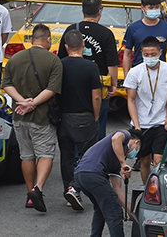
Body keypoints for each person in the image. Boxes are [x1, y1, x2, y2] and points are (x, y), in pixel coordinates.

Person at [1, 23, 62, 212]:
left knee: (26, 155)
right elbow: (52, 89)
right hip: (42, 118)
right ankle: (38, 188)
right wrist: (33, 103)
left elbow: (6, 84)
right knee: (45, 154)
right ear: (48, 39)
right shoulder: (53, 61)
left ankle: (29, 193)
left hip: (19, 118)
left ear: (31, 39)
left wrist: (22, 102)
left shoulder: (15, 59)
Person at [57, 0, 118, 139]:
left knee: (72, 125)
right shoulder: (106, 34)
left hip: (72, 85)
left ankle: (76, 158)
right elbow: (112, 64)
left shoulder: (71, 30)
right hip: (99, 86)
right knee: (98, 125)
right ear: (99, 12)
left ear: (82, 10)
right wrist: (113, 85)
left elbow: (60, 59)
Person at [57, 29, 102, 210]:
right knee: (87, 158)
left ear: (66, 47)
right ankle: (78, 188)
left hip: (63, 118)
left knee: (66, 157)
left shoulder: (59, 65)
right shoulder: (91, 67)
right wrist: (96, 116)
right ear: (83, 45)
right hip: (84, 118)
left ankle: (69, 191)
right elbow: (96, 97)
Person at [124, 36, 167, 183]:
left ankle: (159, 190)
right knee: (144, 160)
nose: (150, 58)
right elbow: (130, 99)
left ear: (160, 52)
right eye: (146, 55)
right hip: (142, 123)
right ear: (141, 53)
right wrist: (136, 125)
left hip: (161, 122)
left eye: (153, 55)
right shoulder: (134, 73)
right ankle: (146, 189)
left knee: (158, 160)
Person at [72, 128, 141, 237]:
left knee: (101, 208)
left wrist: (131, 213)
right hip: (92, 174)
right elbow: (115, 139)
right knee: (114, 211)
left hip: (81, 176)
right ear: (137, 142)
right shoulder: (126, 135)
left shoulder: (115, 163)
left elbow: (117, 189)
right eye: (138, 148)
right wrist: (123, 163)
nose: (136, 153)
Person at [120, 0, 167, 76]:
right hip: (139, 74)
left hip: (161, 75)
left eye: (157, 7)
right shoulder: (133, 28)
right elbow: (127, 54)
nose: (154, 10)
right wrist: (127, 76)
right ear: (142, 8)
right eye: (150, 8)